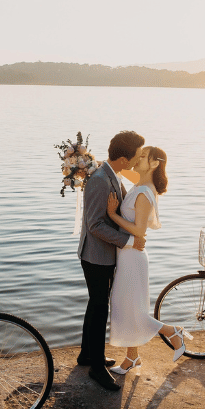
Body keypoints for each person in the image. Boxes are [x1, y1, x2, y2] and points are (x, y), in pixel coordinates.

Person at [105, 146, 190, 375]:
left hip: (133, 257)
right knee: (127, 306)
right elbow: (116, 170)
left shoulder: (144, 192)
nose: (137, 158)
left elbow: (139, 230)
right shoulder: (140, 183)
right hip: (127, 255)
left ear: (154, 163)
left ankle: (172, 331)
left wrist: (113, 215)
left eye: (142, 156)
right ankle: (132, 358)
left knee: (133, 309)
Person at [76, 130, 145, 391]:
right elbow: (94, 225)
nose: (139, 160)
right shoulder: (101, 180)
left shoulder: (111, 174)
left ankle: (87, 354)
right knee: (99, 307)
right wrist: (128, 241)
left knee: (96, 305)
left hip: (102, 254)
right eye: (137, 156)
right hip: (96, 256)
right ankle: (96, 368)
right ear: (124, 160)